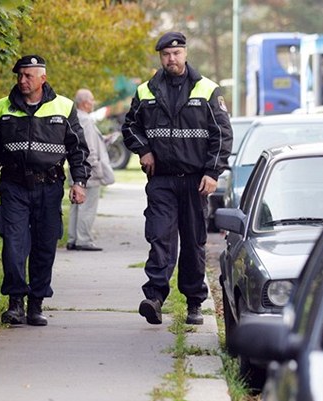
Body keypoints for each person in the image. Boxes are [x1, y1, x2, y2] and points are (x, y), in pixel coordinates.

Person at [121, 32, 233, 325]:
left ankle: (195, 302)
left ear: (185, 54)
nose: (172, 59)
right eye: (166, 55)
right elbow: (130, 127)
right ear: (160, 57)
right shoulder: (146, 90)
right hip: (162, 180)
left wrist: (212, 172)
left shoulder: (207, 89)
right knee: (160, 238)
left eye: (177, 53)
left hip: (196, 180)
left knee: (194, 243)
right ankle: (154, 298)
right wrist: (143, 150)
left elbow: (221, 136)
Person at [0, 55, 91, 327]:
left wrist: (79, 182)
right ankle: (15, 303)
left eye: (28, 75)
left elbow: (78, 150)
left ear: (43, 78)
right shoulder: (1, 108)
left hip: (49, 188)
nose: (22, 80)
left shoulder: (63, 107)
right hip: (14, 187)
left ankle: (36, 304)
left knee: (44, 247)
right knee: (14, 247)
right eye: (19, 75)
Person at [67, 89, 115, 251]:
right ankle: (84, 240)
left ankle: (73, 239)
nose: (93, 103)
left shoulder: (75, 118)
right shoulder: (86, 120)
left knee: (76, 205)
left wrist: (103, 140)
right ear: (85, 102)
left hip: (76, 168)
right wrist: (96, 168)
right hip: (89, 171)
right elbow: (88, 148)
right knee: (87, 206)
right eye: (92, 100)